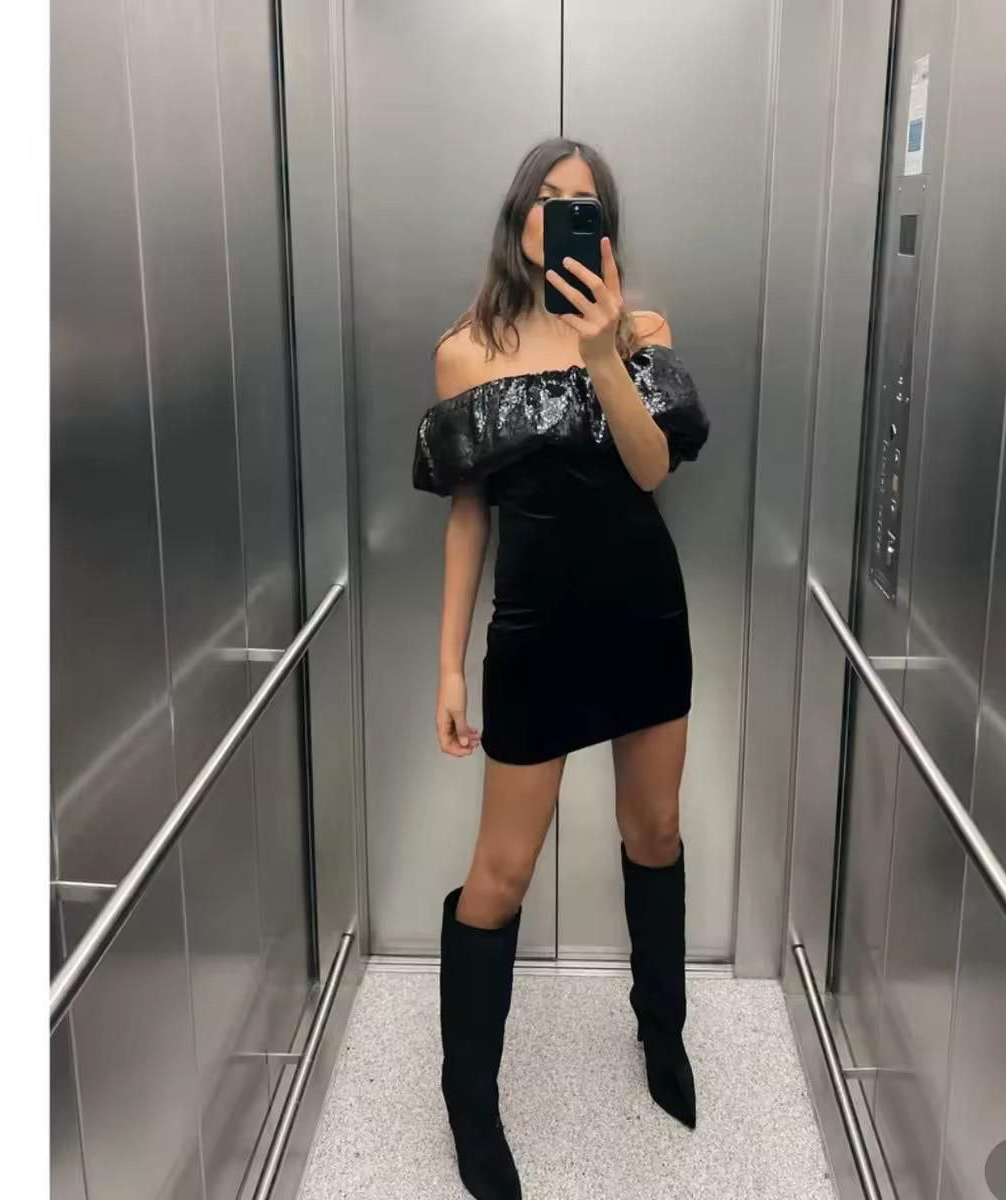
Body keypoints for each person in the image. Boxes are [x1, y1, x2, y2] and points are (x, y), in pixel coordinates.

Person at [412, 137, 710, 1200]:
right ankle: (468, 1098)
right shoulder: (466, 351)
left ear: (604, 228)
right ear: (520, 219)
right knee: (500, 873)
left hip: (644, 617)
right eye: (549, 199)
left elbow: (651, 468)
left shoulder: (641, 332)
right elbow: (467, 517)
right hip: (535, 634)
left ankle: (661, 1031)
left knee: (655, 830)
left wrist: (600, 351)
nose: (565, 215)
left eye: (585, 203)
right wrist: (449, 668)